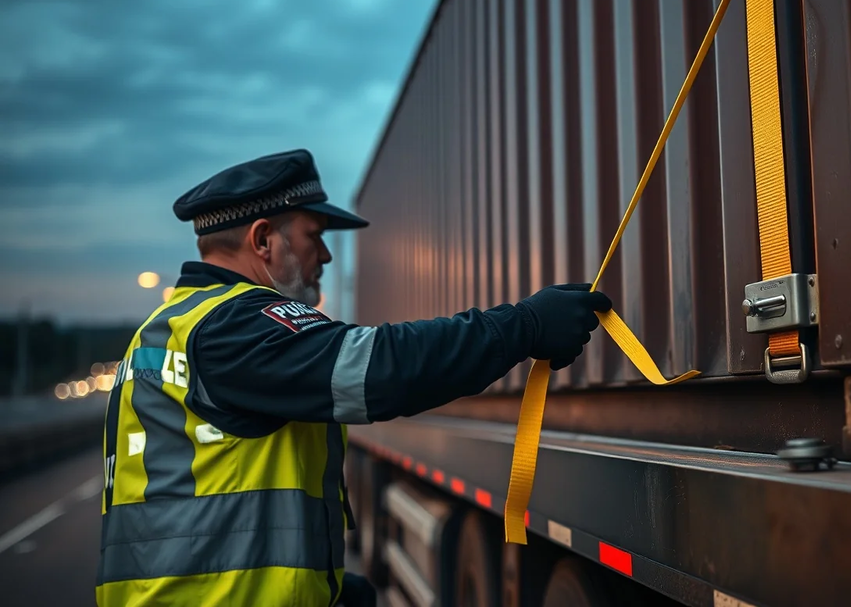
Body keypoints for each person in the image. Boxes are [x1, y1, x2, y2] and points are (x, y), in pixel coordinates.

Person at [95, 149, 611, 607]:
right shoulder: (235, 325)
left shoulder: (167, 329)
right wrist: (525, 326)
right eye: (314, 237)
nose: (326, 256)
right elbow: (377, 368)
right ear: (263, 240)